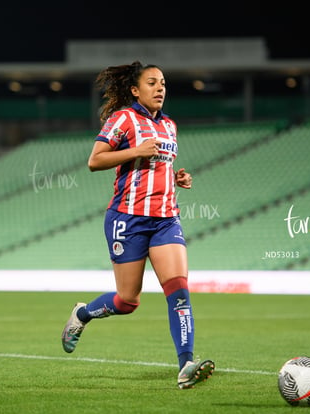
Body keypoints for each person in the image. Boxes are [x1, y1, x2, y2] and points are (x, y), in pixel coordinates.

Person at [61, 61, 215, 389]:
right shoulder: (123, 119)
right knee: (127, 301)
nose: (160, 88)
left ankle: (186, 363)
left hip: (165, 219)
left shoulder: (170, 126)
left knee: (179, 292)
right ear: (135, 90)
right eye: (152, 83)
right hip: (127, 220)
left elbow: (153, 167)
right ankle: (83, 314)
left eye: (163, 83)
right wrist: (135, 150)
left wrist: (176, 177)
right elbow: (95, 160)